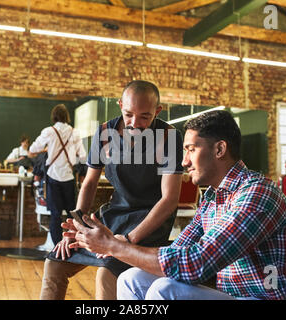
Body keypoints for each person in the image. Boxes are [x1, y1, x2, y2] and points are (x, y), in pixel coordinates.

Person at [68, 110, 286, 300]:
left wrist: (113, 246)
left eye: (191, 150)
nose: (183, 162)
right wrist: (120, 242)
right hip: (232, 295)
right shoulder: (212, 198)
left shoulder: (257, 194)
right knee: (131, 279)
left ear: (219, 149)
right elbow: (179, 250)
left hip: (265, 297)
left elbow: (197, 263)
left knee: (164, 290)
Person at [39, 80, 184, 300]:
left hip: (148, 223)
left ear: (158, 111)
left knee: (107, 273)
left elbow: (169, 199)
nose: (135, 123)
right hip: (114, 216)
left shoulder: (168, 137)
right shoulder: (106, 132)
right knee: (55, 261)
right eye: (128, 114)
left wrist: (127, 240)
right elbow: (89, 183)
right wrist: (77, 228)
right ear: (120, 105)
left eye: (145, 116)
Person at [29, 104, 86, 246]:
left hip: (53, 177)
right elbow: (83, 156)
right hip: (69, 177)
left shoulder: (49, 131)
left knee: (55, 215)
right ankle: (73, 245)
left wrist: (49, 148)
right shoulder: (75, 132)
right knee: (73, 214)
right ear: (67, 117)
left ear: (54, 116)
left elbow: (33, 149)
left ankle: (57, 248)